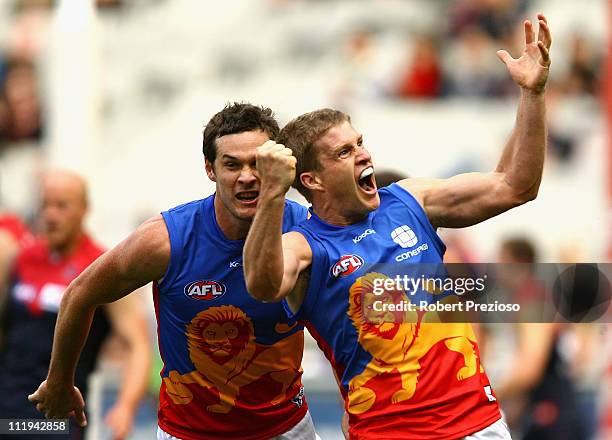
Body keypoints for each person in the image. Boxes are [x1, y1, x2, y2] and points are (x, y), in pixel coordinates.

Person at [244, 14, 551, 439]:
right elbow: (262, 284)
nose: (363, 155)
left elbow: (516, 186)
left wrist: (531, 93)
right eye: (344, 153)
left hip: (478, 426)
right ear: (311, 180)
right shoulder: (305, 246)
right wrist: (272, 196)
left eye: (360, 143)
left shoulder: (411, 201)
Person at [29, 103, 316, 440]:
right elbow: (79, 294)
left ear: (277, 165)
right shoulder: (166, 240)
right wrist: (61, 381)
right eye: (231, 164)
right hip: (189, 433)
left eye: (257, 163)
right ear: (210, 169)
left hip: (287, 429)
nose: (247, 177)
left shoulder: (307, 229)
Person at [0, 171, 151, 440]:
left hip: (54, 417)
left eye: (62, 206)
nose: (50, 215)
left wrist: (125, 407)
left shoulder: (102, 267)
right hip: (5, 402)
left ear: (84, 209)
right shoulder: (21, 258)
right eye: (45, 205)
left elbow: (137, 344)